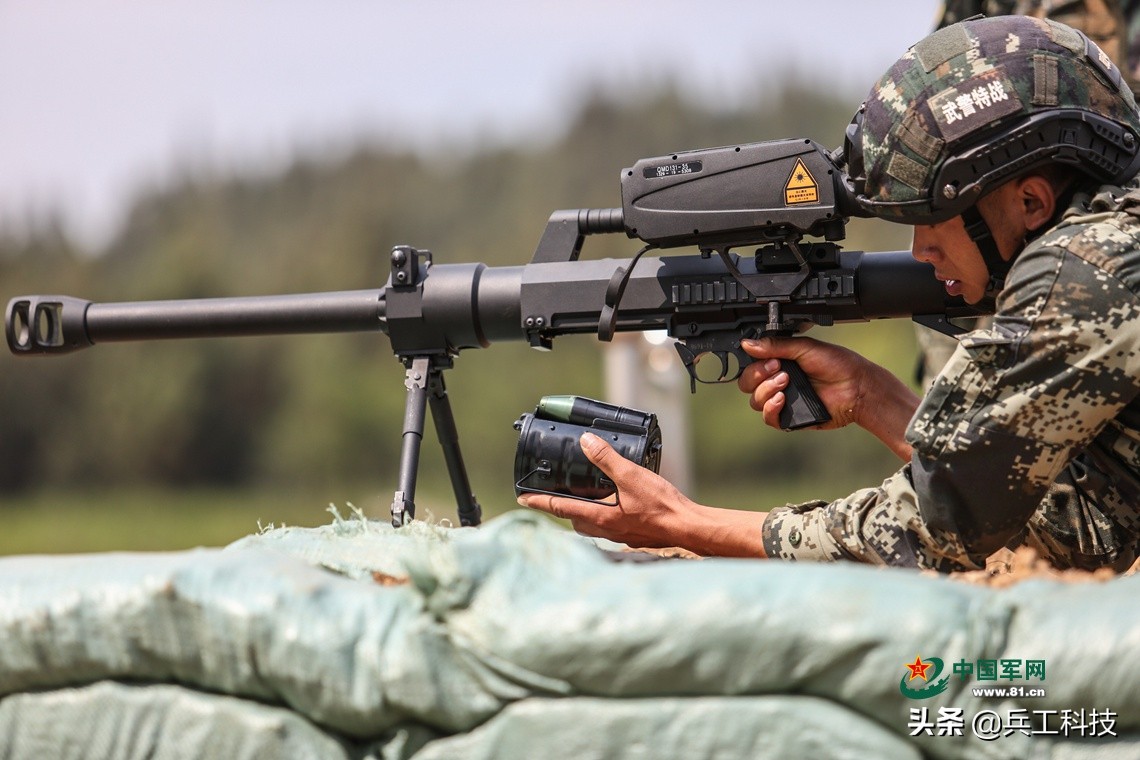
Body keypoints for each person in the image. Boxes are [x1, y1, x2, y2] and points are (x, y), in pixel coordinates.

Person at [518, 15, 1140, 573]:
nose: (921, 251)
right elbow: (1084, 527)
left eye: (933, 216)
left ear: (1031, 201)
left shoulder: (1083, 272)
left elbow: (941, 522)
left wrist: (683, 524)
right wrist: (874, 397)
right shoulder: (1109, 245)